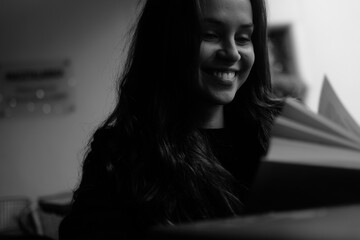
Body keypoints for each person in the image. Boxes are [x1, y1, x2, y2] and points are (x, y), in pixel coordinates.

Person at [59, 0, 283, 239]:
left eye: (243, 37)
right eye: (210, 34)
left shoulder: (278, 134)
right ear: (165, 40)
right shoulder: (121, 154)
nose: (232, 53)